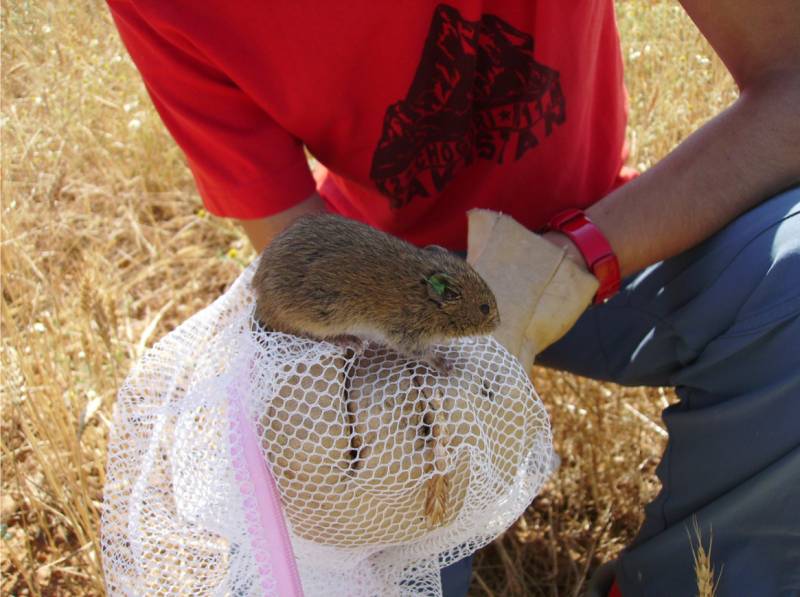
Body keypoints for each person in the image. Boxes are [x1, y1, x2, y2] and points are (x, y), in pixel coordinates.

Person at [106, 1, 800, 595]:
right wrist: (375, 408)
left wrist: (574, 255)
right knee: (319, 516)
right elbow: (294, 254)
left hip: (620, 224)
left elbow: (790, 77)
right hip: (396, 293)